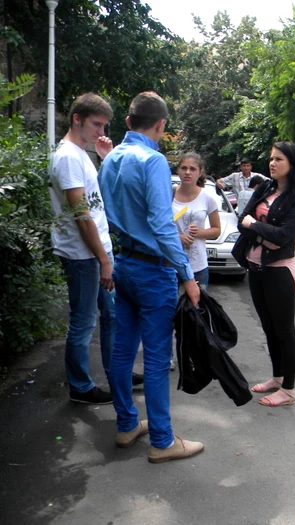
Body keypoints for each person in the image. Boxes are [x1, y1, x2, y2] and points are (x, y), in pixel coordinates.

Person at [98, 91, 203, 463]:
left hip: (123, 264)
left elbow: (106, 215)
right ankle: (162, 440)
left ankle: (127, 424)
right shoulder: (154, 161)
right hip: (153, 271)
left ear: (127, 122)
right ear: (161, 125)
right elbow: (161, 225)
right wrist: (187, 276)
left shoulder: (110, 161)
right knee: (157, 359)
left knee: (122, 351)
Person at [49, 93, 118, 405]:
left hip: (96, 252)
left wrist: (105, 157)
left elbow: (95, 199)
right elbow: (82, 215)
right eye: (96, 124)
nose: (100, 131)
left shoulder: (82, 154)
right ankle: (80, 387)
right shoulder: (67, 157)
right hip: (83, 257)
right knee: (83, 321)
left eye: (104, 125)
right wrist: (103, 259)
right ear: (77, 118)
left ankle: (117, 372)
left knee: (112, 314)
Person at [234, 141, 295, 407]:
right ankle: (277, 377)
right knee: (269, 328)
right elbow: (240, 220)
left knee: (284, 331)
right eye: (271, 158)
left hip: (279, 271)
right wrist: (258, 228)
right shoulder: (265, 187)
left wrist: (256, 225)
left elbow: (283, 237)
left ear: (292, 164)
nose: (272, 163)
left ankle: (289, 390)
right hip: (256, 267)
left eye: (279, 159)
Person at [173, 153, 221, 291]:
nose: (188, 172)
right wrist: (178, 238)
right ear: (178, 170)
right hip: (171, 264)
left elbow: (216, 230)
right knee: (170, 309)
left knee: (197, 309)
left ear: (200, 172)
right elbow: (158, 228)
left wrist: (199, 232)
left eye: (192, 169)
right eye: (184, 168)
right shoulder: (168, 194)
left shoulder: (208, 197)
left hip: (198, 265)